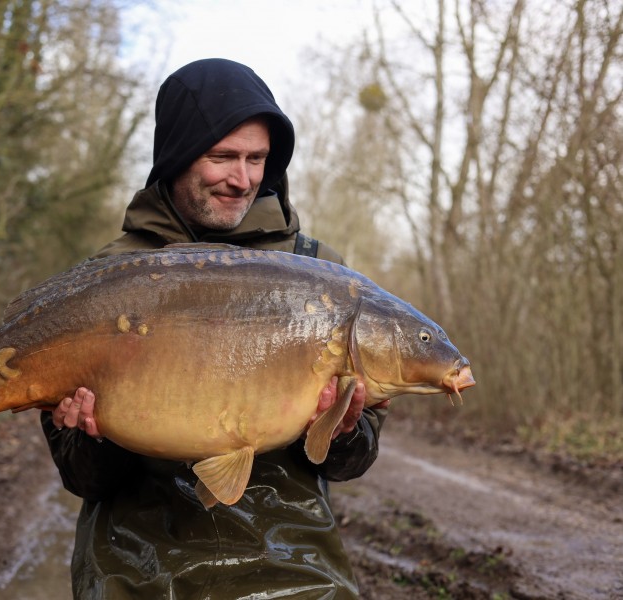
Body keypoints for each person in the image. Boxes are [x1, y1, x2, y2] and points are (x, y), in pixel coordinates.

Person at [40, 58, 389, 599]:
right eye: (222, 157)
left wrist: (342, 430)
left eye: (257, 159)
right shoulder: (112, 275)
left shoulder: (320, 272)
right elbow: (83, 481)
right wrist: (93, 435)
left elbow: (352, 462)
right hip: (134, 567)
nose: (242, 178)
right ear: (177, 156)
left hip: (291, 561)